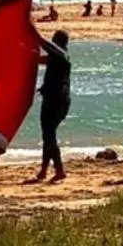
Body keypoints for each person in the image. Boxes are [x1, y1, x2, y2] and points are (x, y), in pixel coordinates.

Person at [33, 30, 72, 183]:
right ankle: (44, 170)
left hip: (57, 101)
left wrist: (28, 26)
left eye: (54, 40)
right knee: (48, 135)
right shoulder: (56, 58)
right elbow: (36, 59)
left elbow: (42, 42)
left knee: (49, 134)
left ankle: (59, 169)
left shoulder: (62, 55)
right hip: (52, 99)